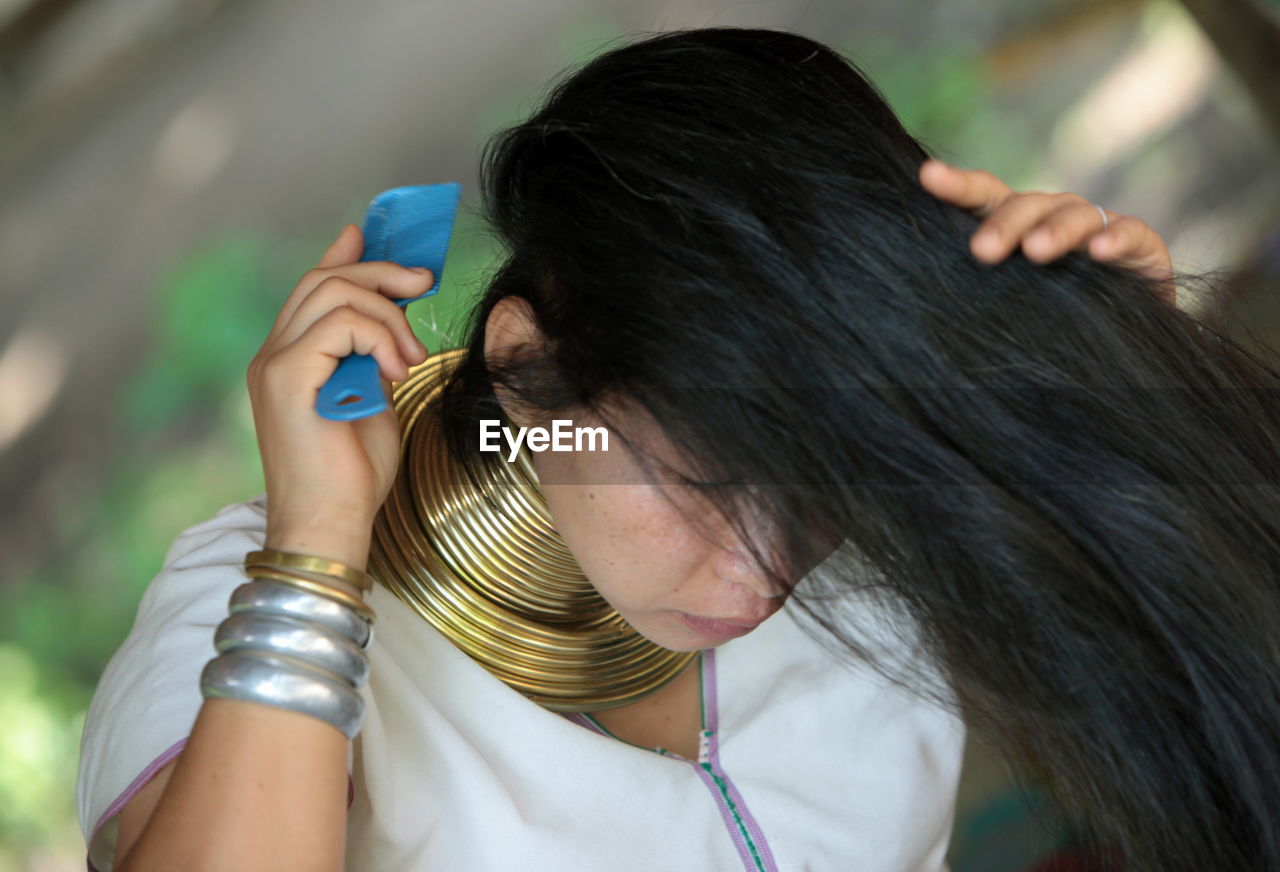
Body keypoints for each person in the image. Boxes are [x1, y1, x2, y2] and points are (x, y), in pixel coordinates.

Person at [75, 26, 1277, 872]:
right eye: (704, 482)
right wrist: (319, 548)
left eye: (813, 485)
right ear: (527, 371)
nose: (764, 575)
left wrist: (1114, 398)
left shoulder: (868, 493)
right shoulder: (242, 591)